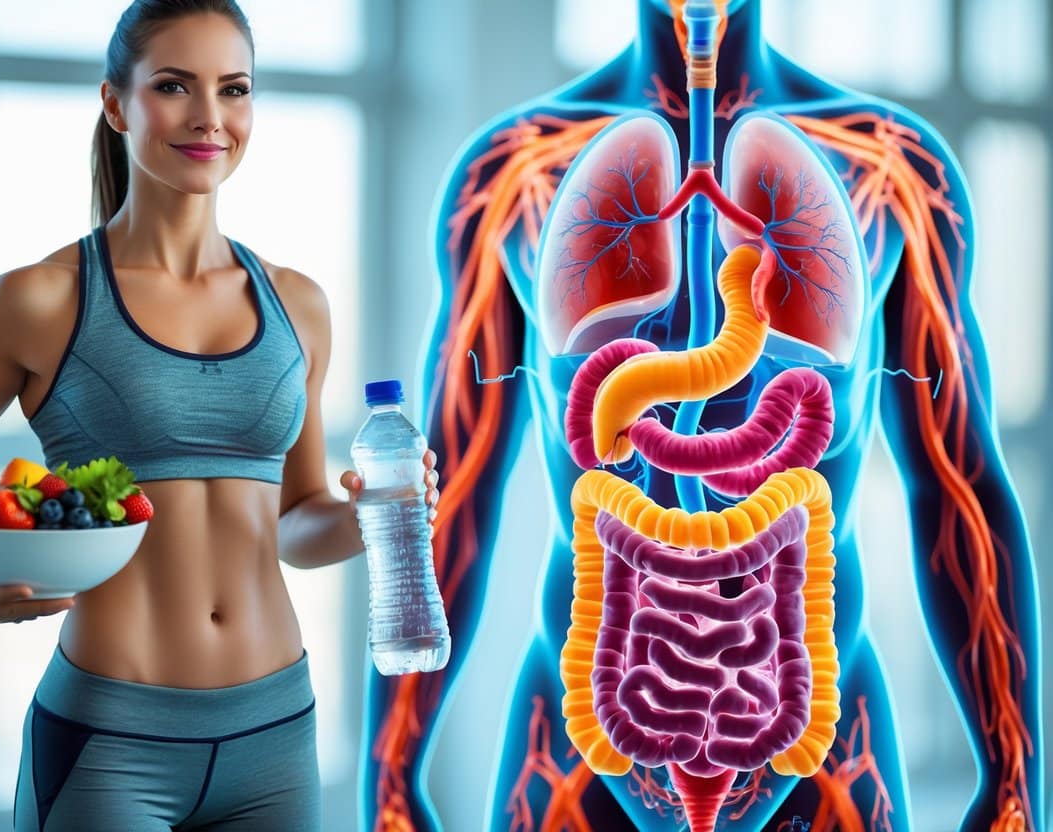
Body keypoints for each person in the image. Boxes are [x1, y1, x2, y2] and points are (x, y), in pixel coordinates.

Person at [360, 1, 1044, 830]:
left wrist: (1014, 782)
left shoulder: (890, 169)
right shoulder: (514, 174)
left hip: (821, 735)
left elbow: (957, 479)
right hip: (581, 740)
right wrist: (390, 784)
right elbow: (450, 492)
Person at [0, 1, 440, 829]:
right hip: (110, 739)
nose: (210, 117)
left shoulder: (299, 305)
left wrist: (368, 516)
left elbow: (294, 522)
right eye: (175, 86)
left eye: (234, 89)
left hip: (277, 732)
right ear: (115, 104)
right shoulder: (37, 301)